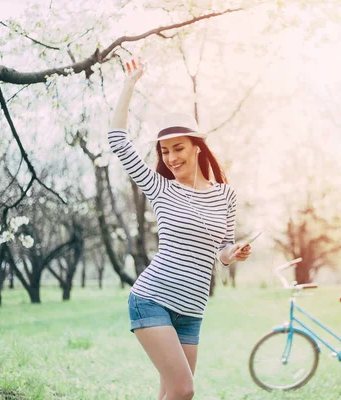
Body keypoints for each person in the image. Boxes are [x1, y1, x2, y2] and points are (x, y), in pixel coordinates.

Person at [108, 58, 252, 400]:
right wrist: (129, 84)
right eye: (165, 151)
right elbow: (117, 140)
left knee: (170, 395)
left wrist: (233, 254)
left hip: (192, 310)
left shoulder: (225, 195)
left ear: (197, 147)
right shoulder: (161, 188)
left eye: (178, 149)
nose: (171, 158)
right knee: (183, 390)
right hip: (153, 299)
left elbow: (223, 248)